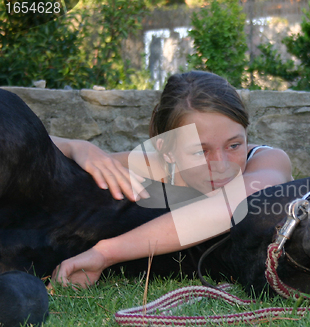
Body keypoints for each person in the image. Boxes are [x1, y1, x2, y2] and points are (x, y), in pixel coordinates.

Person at [50, 71, 292, 288]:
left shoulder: (268, 161)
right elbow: (31, 144)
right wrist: (77, 147)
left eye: (234, 144)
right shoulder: (158, 164)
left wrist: (106, 253)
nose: (222, 164)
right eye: (201, 151)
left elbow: (230, 207)